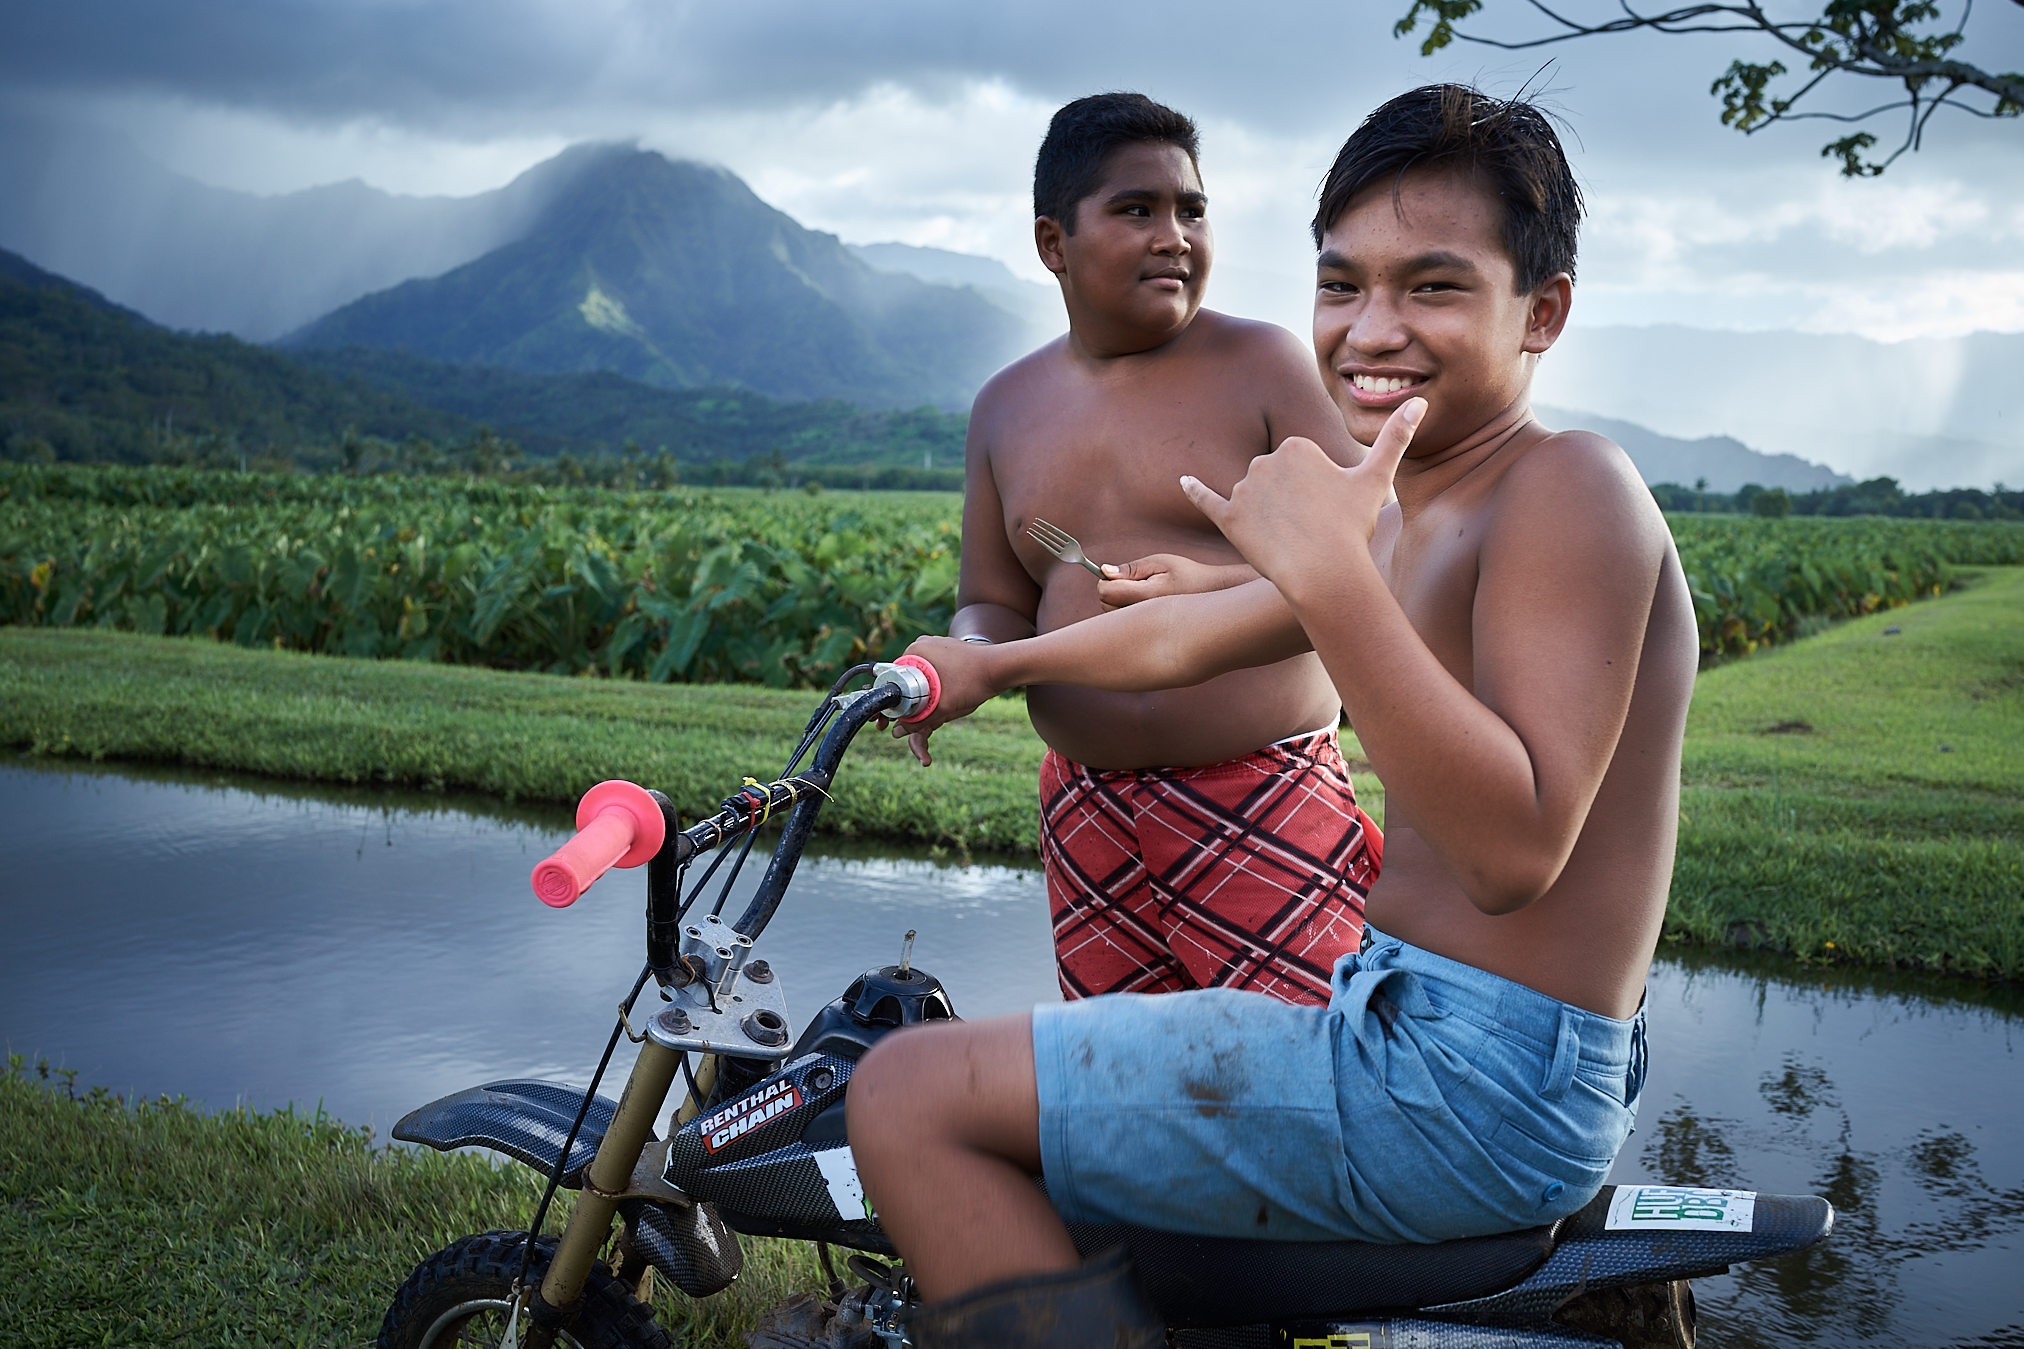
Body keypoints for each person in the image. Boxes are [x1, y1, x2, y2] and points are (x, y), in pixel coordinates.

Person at [848, 84, 1699, 1349]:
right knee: (1043, 1112)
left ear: (1542, 311)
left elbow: (1511, 851)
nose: (1370, 329)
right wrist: (993, 663)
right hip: (1408, 1026)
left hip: (1469, 1080)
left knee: (905, 1093)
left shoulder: (1566, 486)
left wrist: (1328, 577)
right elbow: (1176, 632)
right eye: (1340, 284)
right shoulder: (1418, 512)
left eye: (1433, 286)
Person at [934, 91, 1382, 1008]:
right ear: (1054, 242)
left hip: (1263, 788)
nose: (1174, 236)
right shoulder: (1006, 407)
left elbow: (1373, 551)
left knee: (1304, 1051)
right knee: (1122, 1069)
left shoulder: (1263, 366)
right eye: (1137, 209)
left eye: (1193, 210)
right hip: (1086, 806)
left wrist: (1214, 582)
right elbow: (994, 599)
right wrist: (969, 656)